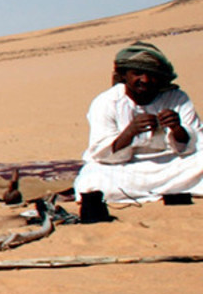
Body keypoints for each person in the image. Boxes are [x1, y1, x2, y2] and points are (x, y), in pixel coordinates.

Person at [74, 41, 203, 206]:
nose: (145, 80)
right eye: (137, 73)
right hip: (126, 168)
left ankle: (163, 189)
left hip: (173, 164)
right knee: (91, 181)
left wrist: (177, 129)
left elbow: (197, 143)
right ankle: (170, 190)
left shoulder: (177, 98)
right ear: (124, 75)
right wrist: (130, 132)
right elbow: (100, 153)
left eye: (152, 74)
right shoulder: (106, 102)